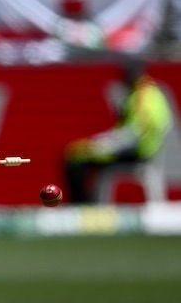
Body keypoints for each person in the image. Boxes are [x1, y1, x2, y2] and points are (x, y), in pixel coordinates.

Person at [64, 60, 173, 204]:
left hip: (137, 153)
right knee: (80, 154)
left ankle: (80, 206)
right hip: (141, 150)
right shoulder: (149, 92)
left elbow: (134, 134)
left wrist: (102, 146)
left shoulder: (142, 97)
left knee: (76, 159)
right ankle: (89, 204)